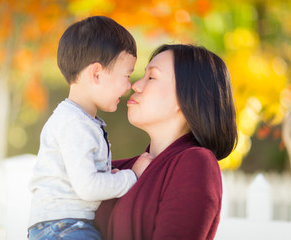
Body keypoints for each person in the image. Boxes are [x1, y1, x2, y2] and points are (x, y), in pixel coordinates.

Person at [95, 44, 238, 240]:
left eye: (151, 77)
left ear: (186, 96)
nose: (135, 85)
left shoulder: (196, 164)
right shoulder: (115, 171)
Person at [27, 16, 153, 240]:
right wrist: (132, 176)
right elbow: (88, 187)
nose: (129, 86)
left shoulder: (80, 121)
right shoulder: (75, 124)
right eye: (126, 75)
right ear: (96, 73)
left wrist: (108, 176)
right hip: (64, 228)